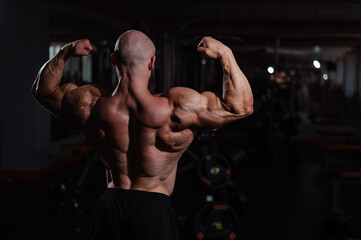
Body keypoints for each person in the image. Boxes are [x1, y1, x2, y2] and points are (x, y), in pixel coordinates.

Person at [32, 30, 253, 240]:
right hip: (154, 209)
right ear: (152, 62)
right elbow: (241, 107)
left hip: (111, 205)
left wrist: (66, 52)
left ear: (113, 60)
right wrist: (225, 53)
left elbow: (43, 91)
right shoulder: (176, 108)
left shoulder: (89, 104)